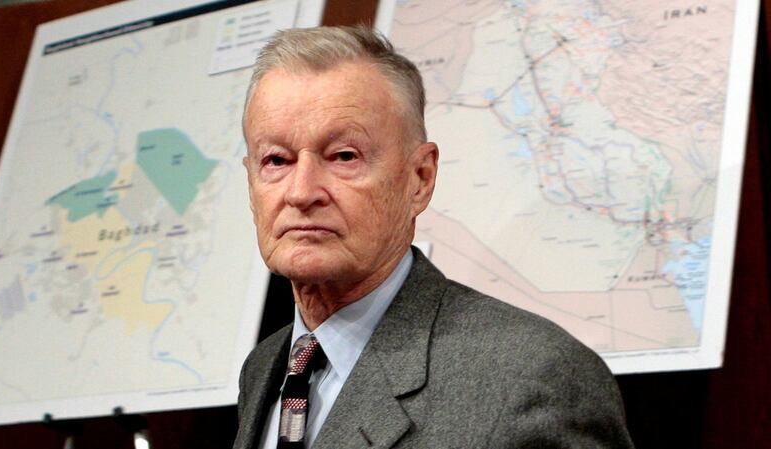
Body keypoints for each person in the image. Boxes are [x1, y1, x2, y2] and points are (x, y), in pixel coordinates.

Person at [233, 26, 634, 449]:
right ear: (251, 183)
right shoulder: (265, 369)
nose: (301, 192)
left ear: (420, 179)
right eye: (276, 160)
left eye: (344, 156)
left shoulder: (533, 376)